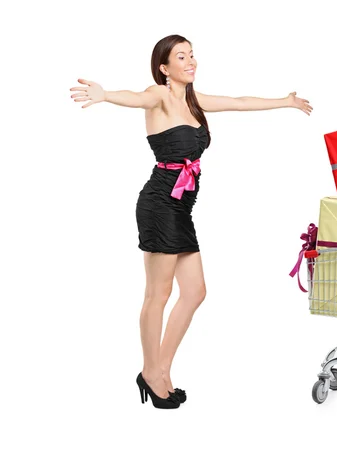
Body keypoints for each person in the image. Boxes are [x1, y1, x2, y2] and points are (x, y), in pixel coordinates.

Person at [69, 34, 312, 409]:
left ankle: (160, 369)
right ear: (165, 68)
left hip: (180, 208)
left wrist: (287, 101)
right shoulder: (160, 95)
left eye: (192, 54)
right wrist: (105, 95)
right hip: (159, 204)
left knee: (195, 292)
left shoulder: (194, 102)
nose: (190, 61)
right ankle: (152, 372)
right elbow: (136, 97)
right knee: (158, 295)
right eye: (181, 56)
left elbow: (239, 103)